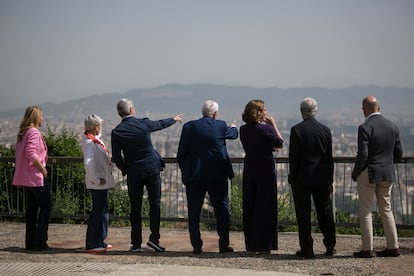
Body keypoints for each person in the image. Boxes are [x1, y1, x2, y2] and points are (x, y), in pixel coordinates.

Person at [111, 98, 182, 253]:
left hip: (134, 173)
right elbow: (159, 124)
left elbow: (116, 157)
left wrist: (125, 169)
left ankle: (136, 244)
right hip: (151, 169)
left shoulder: (117, 132)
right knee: (154, 204)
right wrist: (174, 119)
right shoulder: (143, 124)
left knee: (135, 208)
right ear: (131, 111)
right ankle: (154, 239)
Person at [177, 100, 238, 254]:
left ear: (202, 112)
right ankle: (224, 244)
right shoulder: (221, 125)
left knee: (194, 212)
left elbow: (181, 154)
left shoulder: (189, 127)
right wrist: (233, 126)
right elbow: (233, 135)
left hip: (195, 176)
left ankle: (196, 245)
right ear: (215, 114)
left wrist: (187, 171)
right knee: (222, 210)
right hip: (217, 175)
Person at [352, 96, 403, 258]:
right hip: (387, 172)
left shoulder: (365, 127)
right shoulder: (392, 126)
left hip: (369, 172)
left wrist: (356, 172)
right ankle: (393, 246)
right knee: (386, 209)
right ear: (378, 108)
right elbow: (398, 153)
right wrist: (388, 163)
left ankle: (367, 249)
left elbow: (363, 154)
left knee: (366, 210)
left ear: (364, 109)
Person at [288, 97, 336, 259]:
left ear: (302, 112)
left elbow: (293, 158)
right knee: (325, 211)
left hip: (301, 178)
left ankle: (307, 248)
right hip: (322, 178)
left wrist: (292, 177)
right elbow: (329, 159)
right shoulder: (326, 130)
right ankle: (330, 245)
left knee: (303, 214)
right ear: (315, 111)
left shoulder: (296, 130)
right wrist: (330, 180)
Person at [239, 99, 284, 254]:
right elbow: (279, 142)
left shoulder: (243, 129)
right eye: (264, 110)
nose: (266, 112)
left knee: (250, 205)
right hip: (265, 169)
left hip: (250, 168)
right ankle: (265, 244)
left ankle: (251, 244)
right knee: (266, 206)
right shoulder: (266, 129)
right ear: (258, 112)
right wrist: (273, 125)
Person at [12, 106, 52, 251]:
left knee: (31, 210)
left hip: (26, 179)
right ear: (35, 117)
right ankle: (40, 242)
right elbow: (30, 152)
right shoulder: (33, 132)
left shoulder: (23, 133)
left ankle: (30, 242)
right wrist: (42, 168)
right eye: (41, 116)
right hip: (35, 177)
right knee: (46, 207)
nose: (42, 119)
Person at [81, 114, 115, 253]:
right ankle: (92, 243)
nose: (101, 127)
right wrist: (95, 178)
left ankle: (100, 240)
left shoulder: (94, 140)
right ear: (95, 127)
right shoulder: (90, 143)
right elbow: (88, 163)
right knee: (98, 212)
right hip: (98, 183)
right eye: (99, 125)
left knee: (102, 211)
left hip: (102, 181)